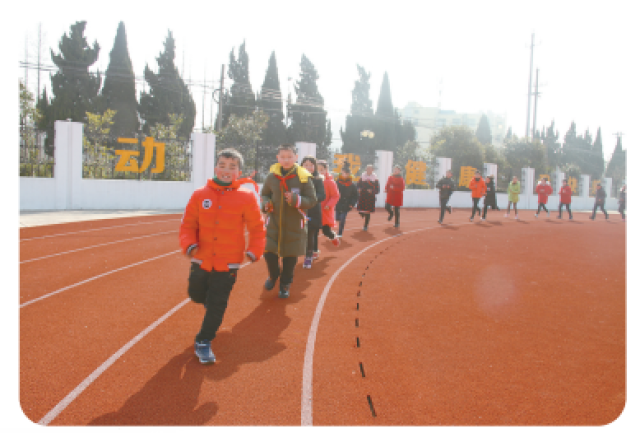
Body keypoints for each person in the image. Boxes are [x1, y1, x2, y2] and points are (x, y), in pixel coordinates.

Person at [180, 148, 266, 364]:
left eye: (232, 167)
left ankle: (204, 341)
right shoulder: (200, 194)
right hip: (201, 257)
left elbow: (257, 227)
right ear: (215, 167)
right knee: (195, 293)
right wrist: (189, 244)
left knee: (218, 304)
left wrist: (255, 250)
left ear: (239, 171)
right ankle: (207, 307)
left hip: (229, 262)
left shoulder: (246, 197)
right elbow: (188, 224)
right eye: (223, 165)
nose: (227, 170)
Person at [261, 144, 318, 299]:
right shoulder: (271, 177)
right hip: (274, 224)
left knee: (290, 259)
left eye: (290, 157)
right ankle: (273, 275)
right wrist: (265, 204)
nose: (286, 160)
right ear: (277, 158)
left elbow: (312, 200)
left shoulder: (303, 176)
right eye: (283, 157)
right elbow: (265, 194)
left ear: (296, 157)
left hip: (294, 225)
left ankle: (285, 284)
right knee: (268, 253)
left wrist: (296, 199)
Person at [300, 156, 326, 269]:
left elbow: (322, 195)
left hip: (312, 211)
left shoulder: (318, 179)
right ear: (301, 165)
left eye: (311, 165)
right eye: (305, 164)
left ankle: (308, 257)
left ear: (314, 166)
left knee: (310, 234)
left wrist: (311, 199)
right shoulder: (295, 178)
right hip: (298, 211)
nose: (308, 167)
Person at [317, 160, 341, 251]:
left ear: (326, 169)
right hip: (314, 210)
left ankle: (333, 236)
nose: (320, 172)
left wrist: (329, 205)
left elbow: (335, 195)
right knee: (312, 232)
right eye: (318, 170)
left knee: (325, 231)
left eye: (322, 170)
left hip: (325, 210)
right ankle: (314, 251)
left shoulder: (330, 182)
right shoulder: (313, 180)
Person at [335, 164, 359, 237]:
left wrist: (352, 203)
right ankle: (339, 222)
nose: (344, 175)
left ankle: (340, 233)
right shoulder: (337, 182)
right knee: (337, 218)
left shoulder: (352, 184)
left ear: (348, 174)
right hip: (338, 203)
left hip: (346, 204)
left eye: (345, 173)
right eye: (342, 173)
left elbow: (356, 195)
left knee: (342, 218)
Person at [356, 164, 380, 231]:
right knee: (360, 211)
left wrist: (372, 191)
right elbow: (358, 185)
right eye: (367, 168)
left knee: (367, 212)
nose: (368, 170)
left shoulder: (375, 178)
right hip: (363, 196)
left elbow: (378, 190)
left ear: (373, 170)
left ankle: (365, 226)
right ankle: (362, 214)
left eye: (370, 169)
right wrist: (359, 189)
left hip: (370, 197)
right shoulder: (362, 176)